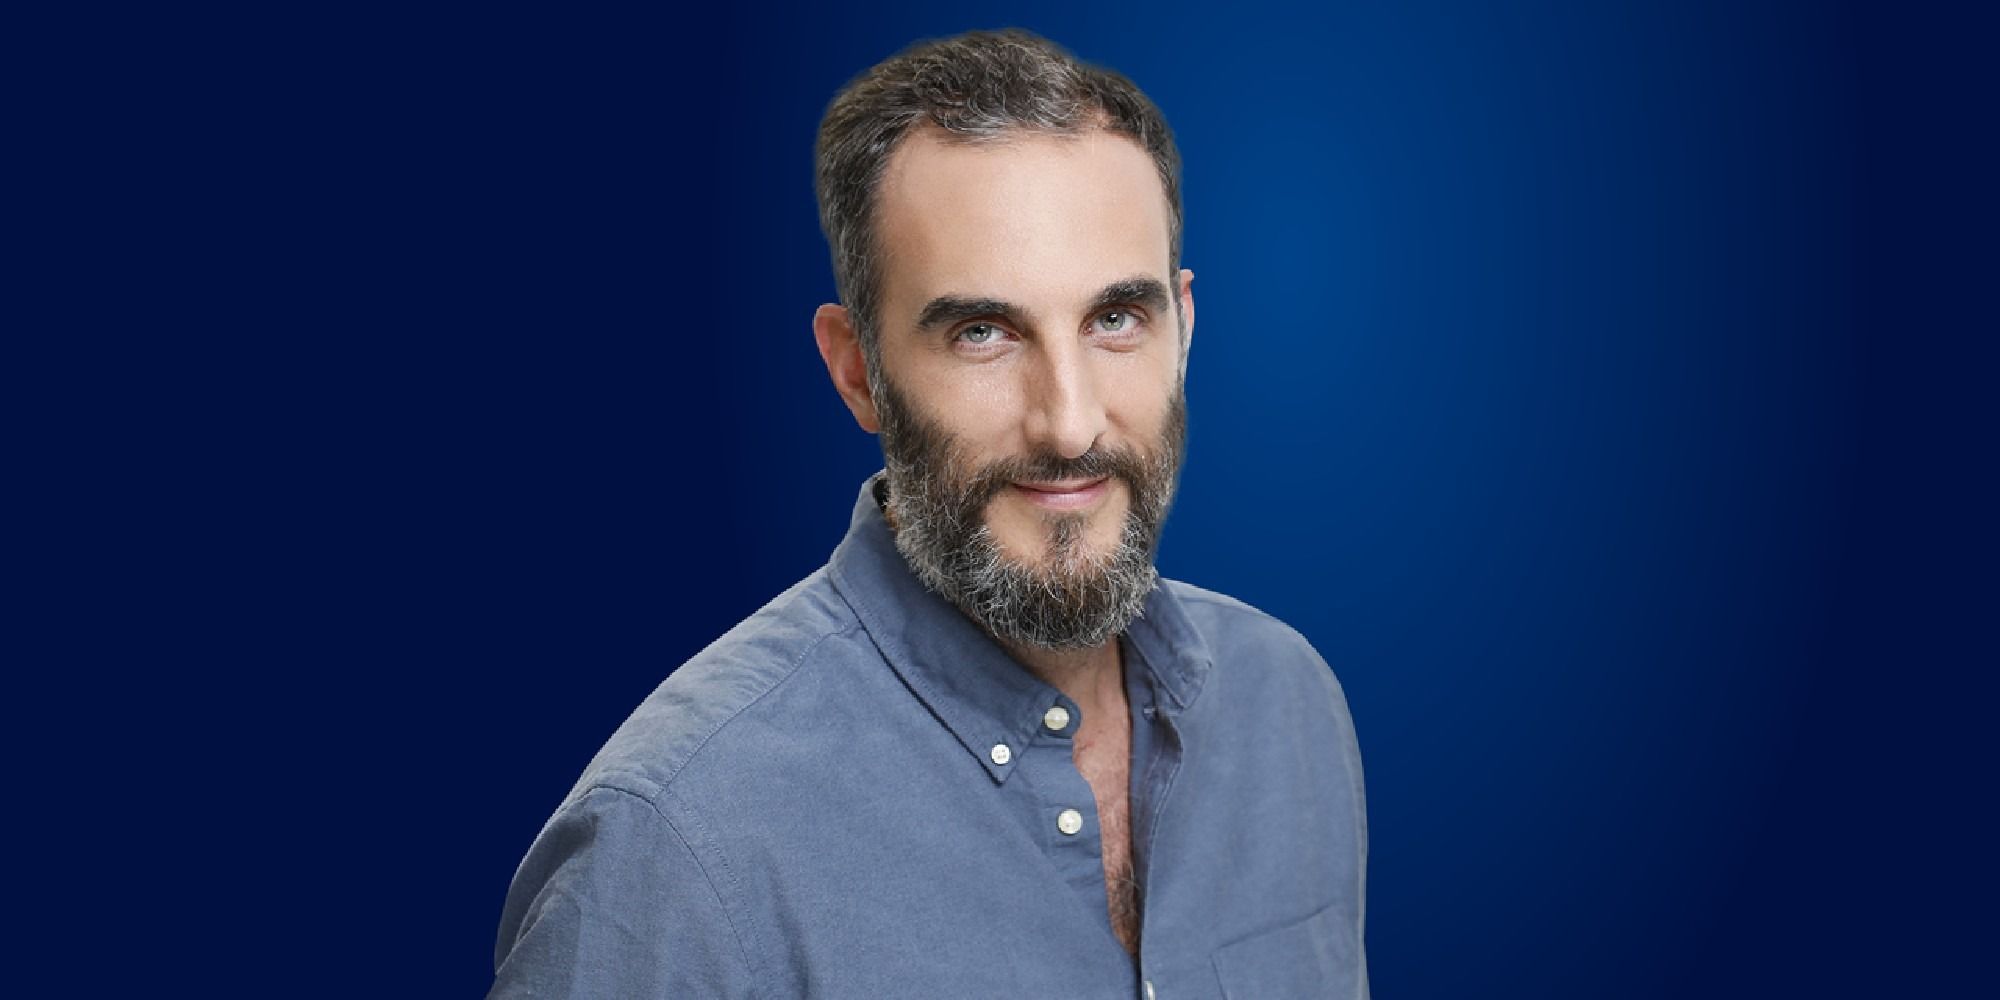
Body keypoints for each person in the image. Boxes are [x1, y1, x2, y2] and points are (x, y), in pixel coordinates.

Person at [491, 28, 1367, 999]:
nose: (1070, 423)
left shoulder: (1287, 708)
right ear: (856, 371)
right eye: (983, 333)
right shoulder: (672, 846)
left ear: (1183, 326)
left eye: (1115, 319)